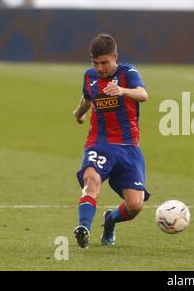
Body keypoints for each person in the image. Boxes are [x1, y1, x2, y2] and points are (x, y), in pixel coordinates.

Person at [72, 33, 150, 249]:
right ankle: (83, 228)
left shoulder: (128, 73)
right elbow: (88, 99)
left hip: (128, 147)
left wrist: (123, 91)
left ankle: (110, 220)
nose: (100, 68)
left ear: (116, 57)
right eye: (95, 63)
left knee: (135, 205)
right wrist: (79, 113)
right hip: (99, 143)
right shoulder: (90, 77)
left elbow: (143, 95)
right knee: (91, 181)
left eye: (105, 62)